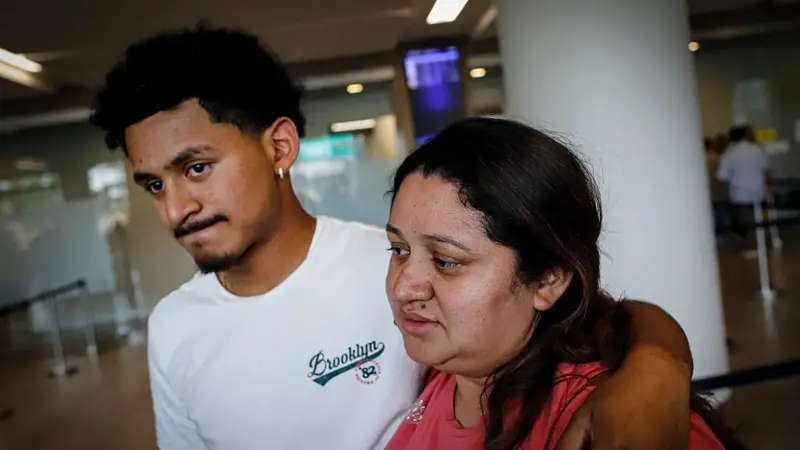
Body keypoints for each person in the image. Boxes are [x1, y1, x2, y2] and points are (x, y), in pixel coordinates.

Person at [91, 25, 699, 450]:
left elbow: (588, 314)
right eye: (153, 185)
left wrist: (658, 366)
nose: (177, 208)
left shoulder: (380, 267)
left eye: (197, 168)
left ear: (279, 146)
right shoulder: (174, 328)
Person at [384, 117, 742, 450]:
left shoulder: (621, 427)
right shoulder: (438, 372)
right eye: (399, 250)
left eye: (446, 261)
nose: (404, 288)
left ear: (548, 279)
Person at [717, 125, 771, 248]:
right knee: (760, 219)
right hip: (759, 192)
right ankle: (762, 243)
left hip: (740, 194)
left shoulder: (729, 153)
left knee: (743, 223)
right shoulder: (758, 150)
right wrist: (768, 188)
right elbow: (766, 171)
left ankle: (749, 245)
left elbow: (721, 176)